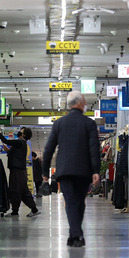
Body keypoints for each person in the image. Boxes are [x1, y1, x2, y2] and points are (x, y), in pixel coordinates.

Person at [43, 91, 100, 247]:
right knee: (78, 201)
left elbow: (48, 149)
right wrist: (96, 170)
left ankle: (73, 235)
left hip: (65, 170)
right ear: (81, 102)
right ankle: (77, 235)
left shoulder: (59, 123)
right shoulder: (89, 123)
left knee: (72, 202)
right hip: (84, 170)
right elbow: (94, 149)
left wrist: (45, 172)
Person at [0, 125, 41, 217]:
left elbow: (5, 141)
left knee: (15, 190)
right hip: (20, 171)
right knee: (23, 192)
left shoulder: (20, 142)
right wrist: (8, 152)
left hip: (17, 171)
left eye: (21, 131)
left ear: (24, 135)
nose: (19, 132)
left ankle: (15, 212)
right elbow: (17, 156)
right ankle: (34, 210)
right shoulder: (22, 144)